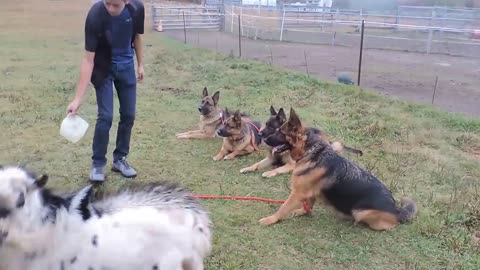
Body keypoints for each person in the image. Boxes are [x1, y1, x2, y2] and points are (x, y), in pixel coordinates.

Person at [66, 0, 145, 182]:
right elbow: (88, 60)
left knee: (128, 115)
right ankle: (98, 164)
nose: (110, 8)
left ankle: (120, 159)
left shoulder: (136, 9)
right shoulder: (95, 14)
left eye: (115, 5)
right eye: (107, 3)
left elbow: (137, 37)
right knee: (106, 116)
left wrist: (140, 64)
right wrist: (77, 99)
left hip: (126, 68)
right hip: (103, 68)